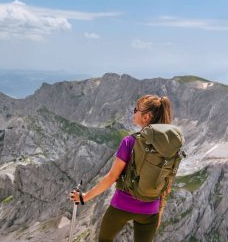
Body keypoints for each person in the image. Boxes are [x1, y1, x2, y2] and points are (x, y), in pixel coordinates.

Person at [70, 94, 176, 242]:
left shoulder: (129, 142)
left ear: (146, 117)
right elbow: (167, 182)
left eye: (136, 110)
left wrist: (83, 197)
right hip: (150, 211)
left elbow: (111, 178)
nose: (133, 112)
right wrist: (158, 211)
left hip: (122, 206)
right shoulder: (169, 146)